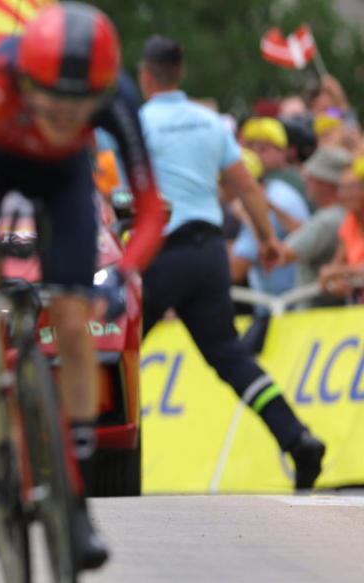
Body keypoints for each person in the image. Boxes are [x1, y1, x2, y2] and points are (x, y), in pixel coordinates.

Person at [0, 2, 168, 570]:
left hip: (63, 179)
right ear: (26, 81)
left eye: (79, 104)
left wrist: (125, 271)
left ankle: (73, 487)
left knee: (73, 311)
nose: (65, 116)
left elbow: (153, 206)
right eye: (51, 102)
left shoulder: (116, 97)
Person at [136, 35, 325, 490]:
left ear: (145, 75)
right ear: (180, 74)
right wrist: (266, 240)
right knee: (229, 356)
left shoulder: (139, 122)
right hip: (208, 253)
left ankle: (83, 455)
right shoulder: (208, 122)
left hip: (160, 254)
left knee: (114, 354)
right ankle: (296, 437)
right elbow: (247, 187)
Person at [233, 117, 311, 351]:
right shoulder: (280, 190)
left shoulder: (274, 196)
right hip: (283, 308)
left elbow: (234, 270)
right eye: (251, 147)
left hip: (286, 310)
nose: (257, 154)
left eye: (264, 148)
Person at [276, 146, 352, 306]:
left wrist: (253, 219)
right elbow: (305, 233)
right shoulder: (342, 216)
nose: (306, 179)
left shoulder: (328, 220)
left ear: (326, 183)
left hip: (313, 316)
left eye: (311, 176)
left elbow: (279, 256)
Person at [318, 160, 364, 300]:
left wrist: (340, 272)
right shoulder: (351, 220)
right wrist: (337, 281)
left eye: (351, 188)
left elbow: (334, 271)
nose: (343, 195)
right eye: (341, 188)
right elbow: (334, 267)